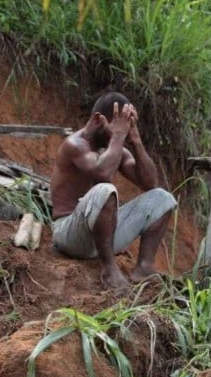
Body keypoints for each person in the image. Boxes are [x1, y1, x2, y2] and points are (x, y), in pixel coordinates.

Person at [50, 92, 177, 289]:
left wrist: (135, 140)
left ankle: (144, 267)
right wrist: (118, 136)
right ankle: (109, 268)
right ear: (98, 120)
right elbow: (103, 174)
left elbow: (151, 183)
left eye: (124, 129)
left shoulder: (115, 147)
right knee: (105, 190)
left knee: (163, 198)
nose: (119, 134)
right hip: (70, 235)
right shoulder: (75, 144)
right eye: (115, 128)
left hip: (101, 240)